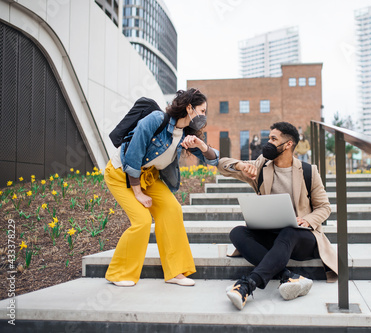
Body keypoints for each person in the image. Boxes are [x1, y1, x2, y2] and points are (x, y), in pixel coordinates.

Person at [104, 88, 219, 287]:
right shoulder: (156, 119)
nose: (203, 116)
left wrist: (201, 146)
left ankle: (175, 272)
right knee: (141, 220)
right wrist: (137, 192)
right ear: (189, 108)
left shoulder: (186, 134)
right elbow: (133, 153)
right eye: (201, 111)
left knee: (172, 210)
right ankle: (120, 273)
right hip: (121, 173)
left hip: (149, 176)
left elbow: (213, 159)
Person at [218, 122, 337, 310]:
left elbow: (324, 207)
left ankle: (248, 285)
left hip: (301, 237)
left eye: (274, 139)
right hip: (271, 234)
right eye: (268, 138)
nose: (269, 142)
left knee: (289, 232)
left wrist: (307, 220)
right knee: (237, 233)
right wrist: (240, 165)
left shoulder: (308, 171)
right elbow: (222, 166)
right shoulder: (261, 166)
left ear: (288, 144)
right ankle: (288, 276)